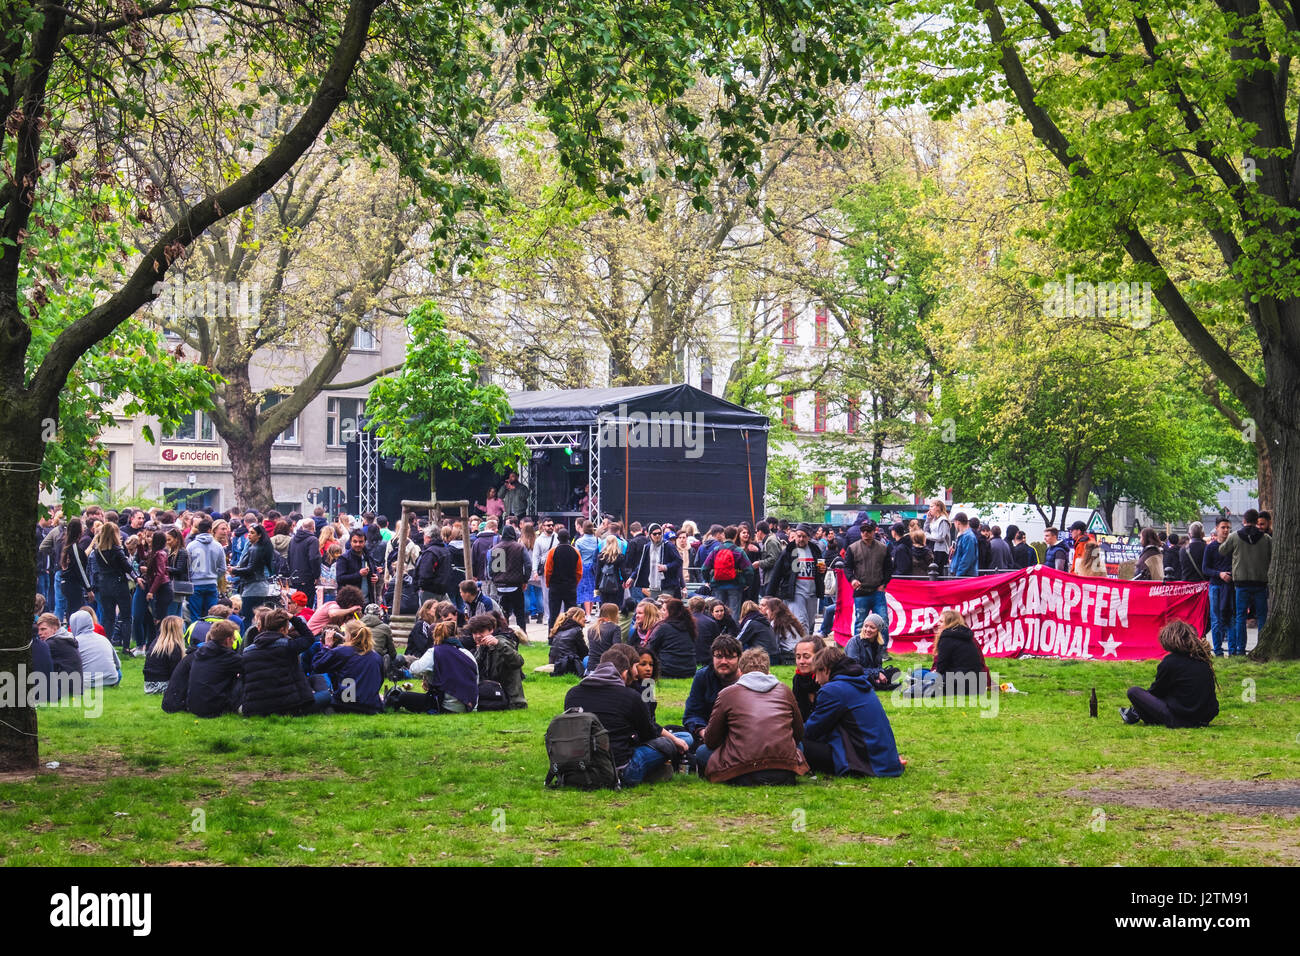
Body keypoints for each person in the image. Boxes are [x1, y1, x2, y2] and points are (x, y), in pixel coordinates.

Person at [562, 644, 690, 787]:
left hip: (579, 766)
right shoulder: (630, 696)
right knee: (667, 744)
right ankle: (656, 770)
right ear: (624, 672)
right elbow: (648, 734)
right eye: (637, 666)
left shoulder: (573, 693)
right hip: (620, 770)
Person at [696, 648, 808, 785]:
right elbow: (798, 733)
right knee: (799, 746)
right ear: (768, 671)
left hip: (742, 770)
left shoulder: (727, 694)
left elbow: (711, 740)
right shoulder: (785, 690)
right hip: (783, 768)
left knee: (702, 752)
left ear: (740, 671)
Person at [802, 645, 904, 777]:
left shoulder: (833, 690)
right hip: (884, 760)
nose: (816, 680)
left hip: (865, 763)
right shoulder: (858, 682)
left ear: (826, 670)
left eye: (816, 673)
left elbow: (812, 730)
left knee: (796, 743)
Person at [1120, 619, 1219, 728]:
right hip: (1202, 718)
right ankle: (1136, 712)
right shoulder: (1202, 659)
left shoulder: (1170, 661)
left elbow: (1157, 692)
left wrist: (1140, 705)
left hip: (1179, 718)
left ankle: (1135, 712)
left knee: (1134, 691)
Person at [241, 608, 325, 716]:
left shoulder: (247, 651)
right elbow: (309, 637)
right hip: (288, 706)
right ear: (282, 629)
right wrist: (293, 618)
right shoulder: (289, 646)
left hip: (255, 708)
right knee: (325, 692)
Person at [389, 621, 480, 713]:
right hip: (469, 705)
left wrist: (428, 675)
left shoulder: (435, 652)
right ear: (456, 635)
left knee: (403, 697)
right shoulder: (467, 654)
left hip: (445, 705)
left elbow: (414, 669)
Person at [1218, 508, 1272, 657]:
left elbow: (1222, 550)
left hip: (1241, 583)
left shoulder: (1235, 536)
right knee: (1262, 616)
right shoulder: (1266, 539)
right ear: (1256, 521)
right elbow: (1272, 554)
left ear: (1244, 521)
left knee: (1241, 617)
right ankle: (1262, 647)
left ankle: (1240, 649)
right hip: (1260, 582)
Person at [162, 620, 242, 717]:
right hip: (214, 708)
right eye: (233, 638)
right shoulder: (229, 657)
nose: (234, 641)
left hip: (193, 705)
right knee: (242, 677)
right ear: (228, 640)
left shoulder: (199, 653)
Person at [312, 618, 384, 713]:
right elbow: (380, 681)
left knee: (318, 683)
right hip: (371, 705)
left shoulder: (343, 652)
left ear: (349, 635)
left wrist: (327, 646)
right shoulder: (377, 656)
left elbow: (317, 666)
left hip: (346, 703)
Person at [683, 634, 742, 742]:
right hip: (710, 735)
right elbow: (692, 713)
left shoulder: (748, 679)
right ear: (712, 657)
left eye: (729, 657)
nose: (723, 661)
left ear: (739, 658)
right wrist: (703, 732)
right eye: (719, 656)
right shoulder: (703, 677)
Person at [766, 524, 823, 634]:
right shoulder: (789, 551)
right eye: (799, 536)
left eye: (804, 537)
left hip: (812, 593)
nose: (801, 539)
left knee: (810, 622)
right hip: (795, 593)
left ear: (809, 537)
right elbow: (777, 574)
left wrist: (823, 571)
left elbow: (819, 572)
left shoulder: (814, 550)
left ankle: (803, 644)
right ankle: (804, 646)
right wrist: (769, 595)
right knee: (801, 622)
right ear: (795, 535)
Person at [88, 521, 133, 651]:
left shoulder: (97, 551)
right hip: (119, 584)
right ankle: (126, 647)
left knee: (108, 618)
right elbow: (127, 567)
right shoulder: (117, 551)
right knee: (126, 617)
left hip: (104, 585)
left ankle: (106, 645)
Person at [843, 519, 892, 636]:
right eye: (863, 530)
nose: (865, 533)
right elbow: (847, 567)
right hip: (861, 592)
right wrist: (852, 579)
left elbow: (889, 568)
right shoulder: (852, 548)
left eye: (868, 530)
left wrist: (883, 584)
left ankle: (881, 652)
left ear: (874, 531)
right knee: (860, 624)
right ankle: (858, 651)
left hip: (877, 592)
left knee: (883, 622)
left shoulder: (883, 548)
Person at [473, 614, 527, 708]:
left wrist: (499, 644)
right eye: (474, 632)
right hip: (491, 694)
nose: (477, 635)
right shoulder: (482, 646)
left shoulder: (501, 642)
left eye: (481, 631)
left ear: (491, 630)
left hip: (510, 700)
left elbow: (518, 662)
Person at [701, 525, 753, 619]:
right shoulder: (738, 551)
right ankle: (733, 633)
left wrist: (708, 580)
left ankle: (718, 631)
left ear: (724, 535)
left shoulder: (716, 550)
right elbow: (749, 570)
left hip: (717, 585)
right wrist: (747, 583)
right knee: (734, 612)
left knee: (717, 611)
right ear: (736, 536)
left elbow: (704, 568)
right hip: (735, 585)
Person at [1202, 517, 1234, 656]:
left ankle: (1233, 650)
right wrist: (1219, 574)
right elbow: (1205, 568)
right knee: (1216, 619)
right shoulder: (1210, 548)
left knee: (1231, 618)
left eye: (1228, 527)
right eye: (1223, 527)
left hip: (1230, 586)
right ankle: (1219, 650)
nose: (1226, 530)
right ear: (1217, 528)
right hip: (1215, 586)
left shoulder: (1233, 546)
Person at [184, 520, 227, 625]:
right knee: (213, 617)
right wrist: (214, 577)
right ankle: (211, 638)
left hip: (195, 585)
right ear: (210, 530)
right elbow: (222, 568)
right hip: (211, 584)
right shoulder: (217, 546)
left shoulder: (191, 546)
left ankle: (194, 639)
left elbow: (186, 567)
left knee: (195, 616)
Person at [488, 524, 531, 629]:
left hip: (500, 585)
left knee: (503, 613)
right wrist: (525, 579)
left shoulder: (495, 548)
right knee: (519, 613)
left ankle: (505, 633)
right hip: (516, 584)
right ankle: (522, 634)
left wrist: (494, 579)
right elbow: (528, 565)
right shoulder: (520, 547)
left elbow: (490, 567)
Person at [644, 596, 697, 678]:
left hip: (668, 670)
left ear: (671, 612)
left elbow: (651, 648)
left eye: (664, 610)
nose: (661, 612)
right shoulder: (689, 626)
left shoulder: (664, 628)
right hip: (689, 669)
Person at [631, 523, 684, 601]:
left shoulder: (668, 546)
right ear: (650, 535)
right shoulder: (648, 547)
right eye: (655, 534)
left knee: (665, 606)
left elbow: (679, 561)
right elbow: (641, 564)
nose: (657, 536)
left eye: (659, 533)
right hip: (653, 585)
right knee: (654, 608)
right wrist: (632, 577)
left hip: (667, 584)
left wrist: (666, 567)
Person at [70, 608, 121, 688]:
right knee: (118, 672)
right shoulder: (104, 639)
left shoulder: (74, 642)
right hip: (111, 680)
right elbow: (118, 664)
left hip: (88, 681)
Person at [544, 527, 582, 625]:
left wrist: (548, 583)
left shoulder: (552, 552)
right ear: (568, 537)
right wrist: (575, 583)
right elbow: (579, 571)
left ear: (558, 538)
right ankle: (571, 636)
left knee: (554, 614)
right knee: (571, 614)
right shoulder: (575, 551)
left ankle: (552, 637)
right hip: (570, 586)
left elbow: (548, 571)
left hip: (555, 586)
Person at [143, 615, 186, 695]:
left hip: (149, 685)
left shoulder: (156, 643)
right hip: (163, 686)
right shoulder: (173, 647)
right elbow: (176, 673)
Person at [759, 596, 805, 665]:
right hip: (797, 651)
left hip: (787, 655)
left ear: (773, 610)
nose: (767, 611)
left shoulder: (776, 622)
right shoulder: (791, 619)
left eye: (768, 609)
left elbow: (774, 645)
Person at [791, 634, 825, 723]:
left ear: (819, 656)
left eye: (806, 657)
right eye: (798, 657)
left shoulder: (827, 679)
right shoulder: (798, 679)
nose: (801, 661)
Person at [288, 517, 321, 604]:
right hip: (308, 578)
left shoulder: (292, 540)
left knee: (296, 605)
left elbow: (289, 558)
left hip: (295, 578)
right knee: (307, 605)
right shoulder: (313, 540)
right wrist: (316, 575)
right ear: (313, 528)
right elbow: (314, 558)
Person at [548, 606, 588, 676]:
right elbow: (584, 651)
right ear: (576, 617)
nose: (585, 619)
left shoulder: (559, 627)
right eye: (583, 617)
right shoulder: (576, 630)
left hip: (554, 661)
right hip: (567, 663)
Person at [585, 603, 623, 674]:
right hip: (607, 668)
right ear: (613, 614)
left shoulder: (591, 629)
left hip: (591, 668)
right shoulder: (615, 628)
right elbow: (617, 649)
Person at [595, 535, 626, 609]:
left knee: (604, 606)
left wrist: (596, 586)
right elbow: (622, 571)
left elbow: (598, 572)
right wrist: (625, 581)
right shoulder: (620, 556)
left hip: (603, 583)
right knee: (616, 606)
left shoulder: (601, 556)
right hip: (616, 583)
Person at [923, 499, 952, 573]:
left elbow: (941, 537)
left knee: (938, 572)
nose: (930, 509)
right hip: (934, 548)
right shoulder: (934, 520)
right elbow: (925, 530)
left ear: (938, 507)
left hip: (940, 550)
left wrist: (927, 535)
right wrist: (928, 519)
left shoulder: (943, 520)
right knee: (933, 572)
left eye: (932, 506)